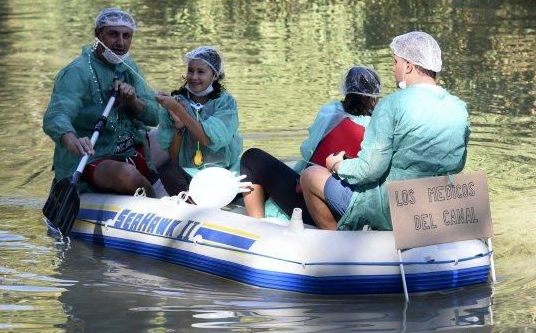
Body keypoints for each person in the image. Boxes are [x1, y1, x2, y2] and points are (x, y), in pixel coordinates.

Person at [300, 31, 470, 231]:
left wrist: (338, 166)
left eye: (395, 61)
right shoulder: (459, 107)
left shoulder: (392, 105)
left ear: (408, 66)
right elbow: (457, 163)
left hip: (394, 207)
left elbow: (370, 170)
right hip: (438, 202)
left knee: (309, 176)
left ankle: (336, 244)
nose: (393, 68)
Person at [240, 66, 382, 225]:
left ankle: (256, 225)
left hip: (311, 202)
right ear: (373, 97)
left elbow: (308, 151)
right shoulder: (377, 126)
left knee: (252, 158)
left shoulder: (332, 112)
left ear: (346, 90)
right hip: (347, 204)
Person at [43, 7, 161, 196]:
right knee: (129, 176)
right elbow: (56, 115)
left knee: (175, 139)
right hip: (92, 157)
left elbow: (154, 117)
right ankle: (158, 208)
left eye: (126, 36)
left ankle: (187, 200)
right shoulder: (77, 72)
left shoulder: (129, 66)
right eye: (113, 34)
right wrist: (70, 138)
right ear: (97, 34)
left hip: (129, 147)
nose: (120, 43)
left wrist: (133, 101)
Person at [155, 46, 242, 196]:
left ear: (215, 75)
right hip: (189, 174)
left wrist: (180, 111)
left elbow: (206, 138)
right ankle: (190, 206)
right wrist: (179, 126)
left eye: (201, 72)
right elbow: (175, 159)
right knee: (167, 169)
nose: (194, 77)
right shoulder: (177, 101)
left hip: (223, 174)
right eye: (190, 70)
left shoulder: (226, 103)